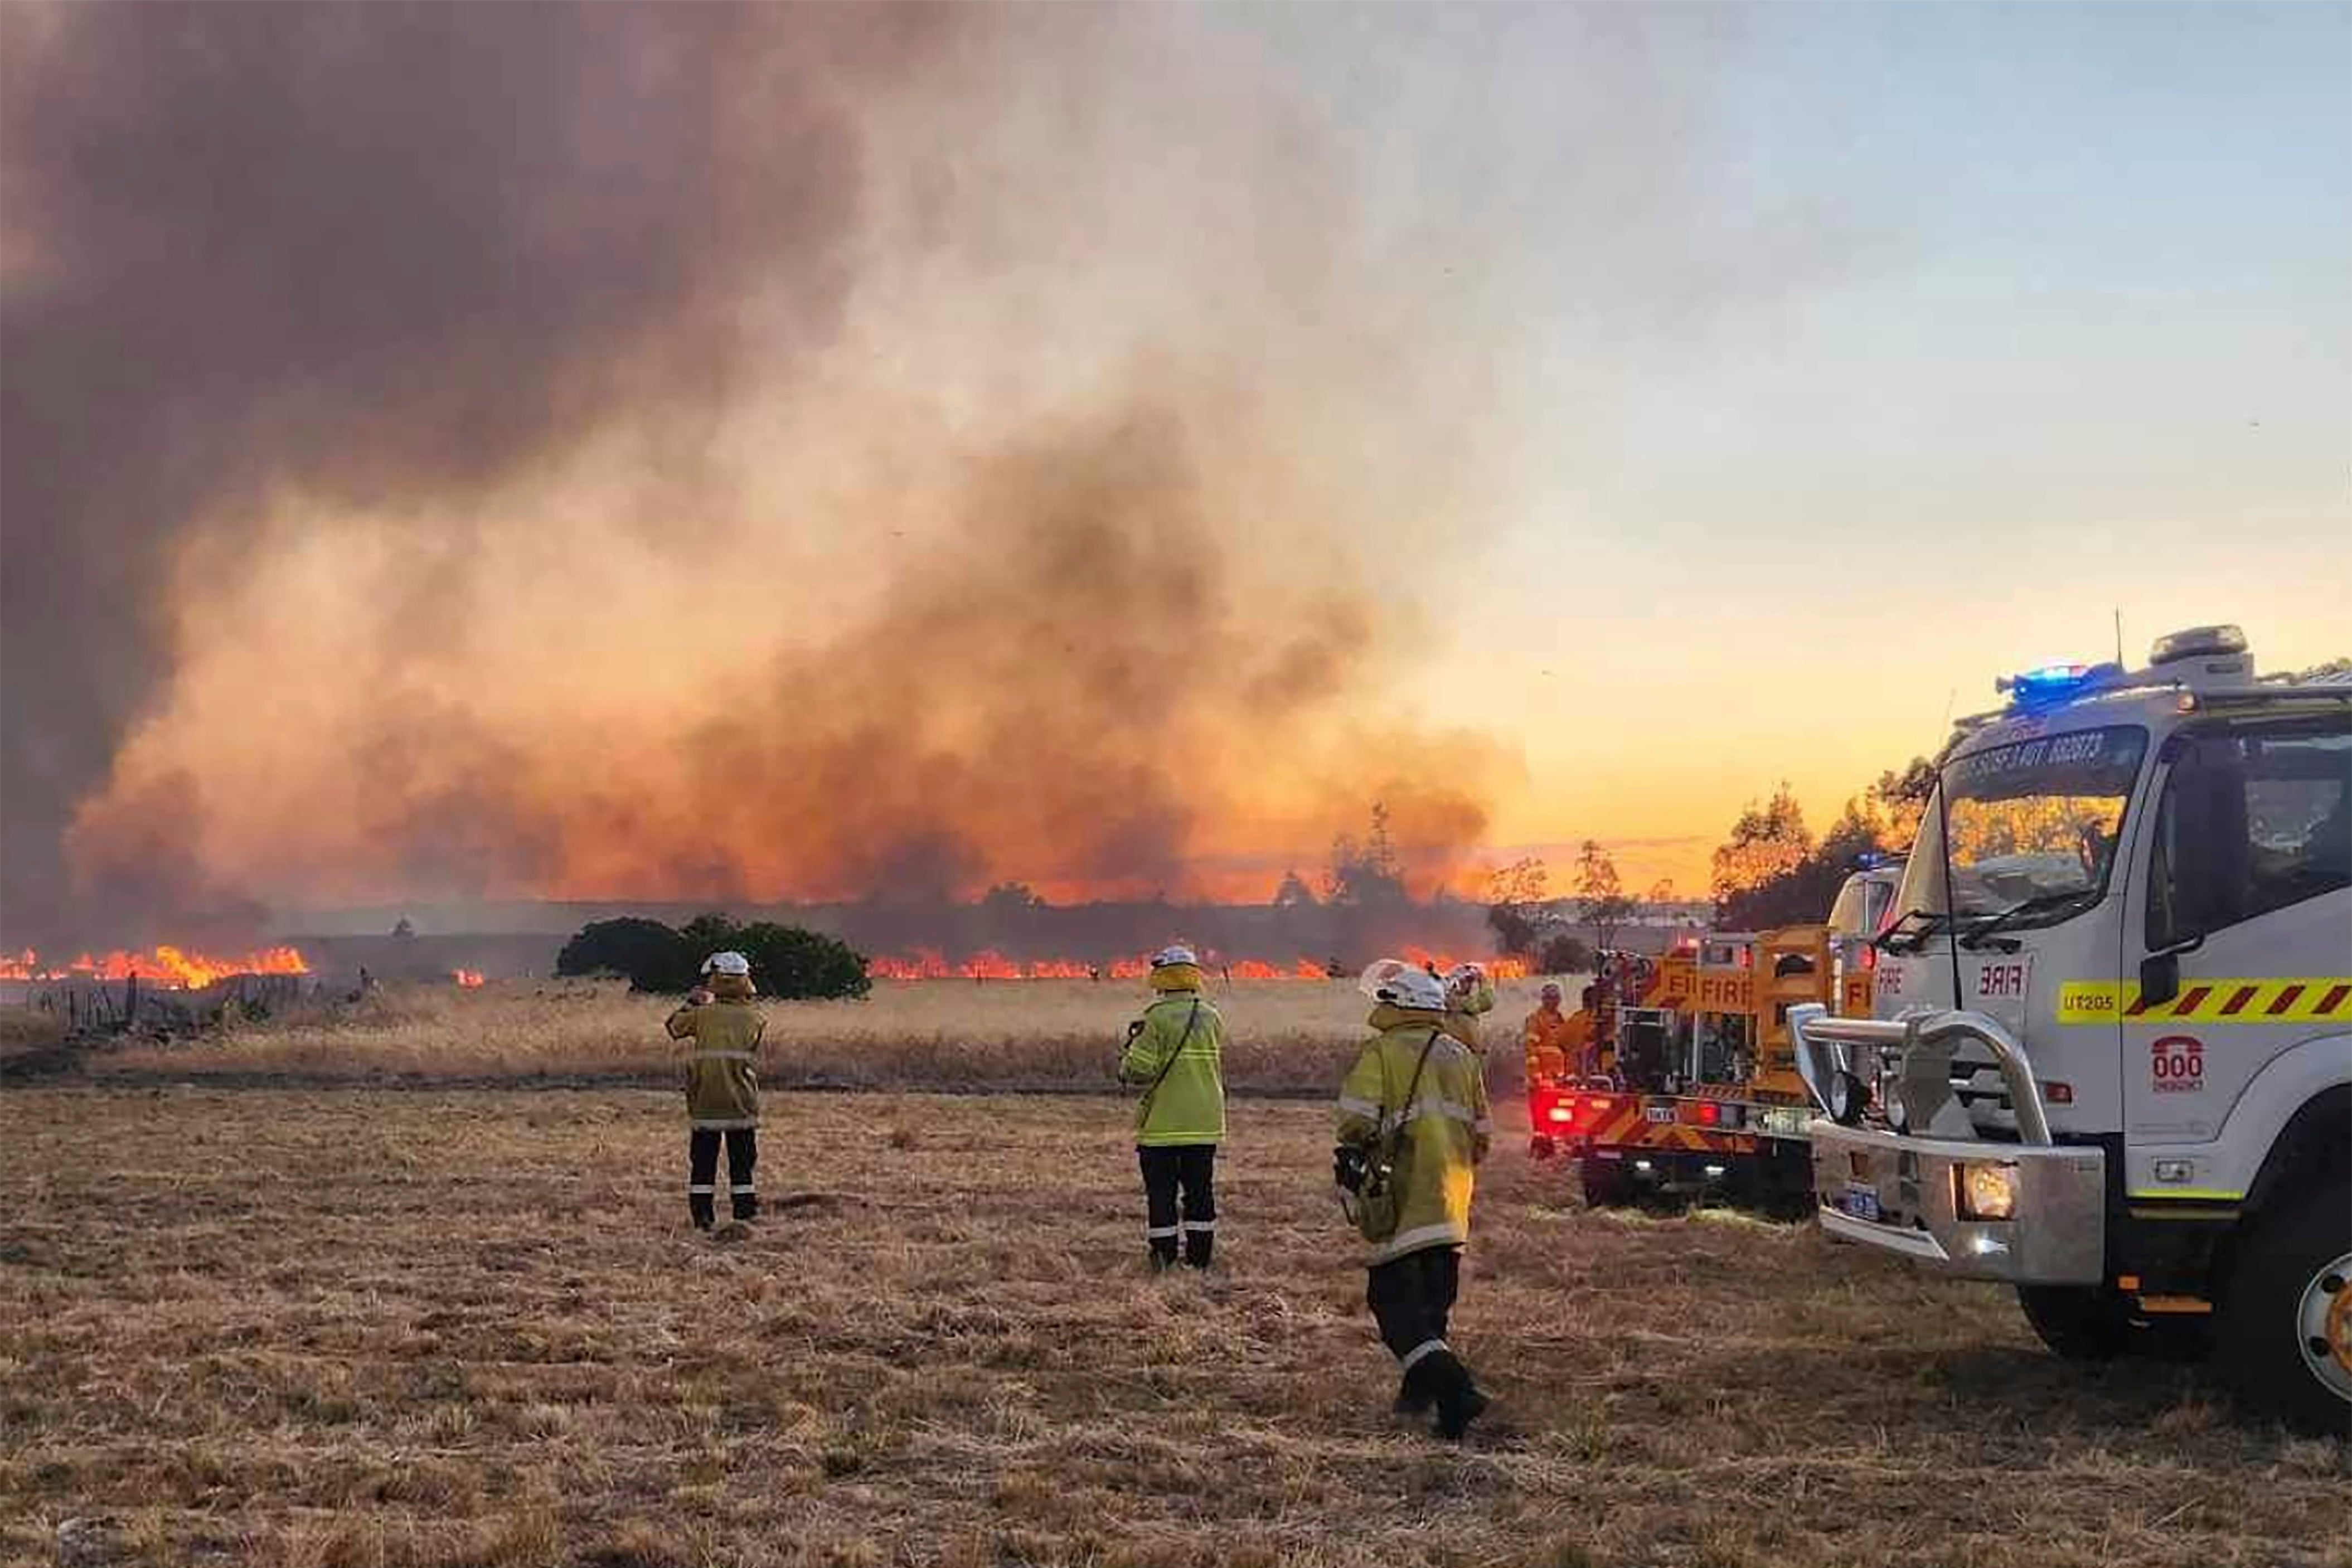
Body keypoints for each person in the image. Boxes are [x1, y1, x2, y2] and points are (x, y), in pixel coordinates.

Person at [1334, 961, 1493, 1439]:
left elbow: (1357, 1122)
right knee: (1431, 1308)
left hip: (1403, 1196)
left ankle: (1457, 1391)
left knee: (1394, 1307)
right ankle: (1424, 1401)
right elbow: (1482, 1137)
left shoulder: (1381, 1053)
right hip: (1451, 1204)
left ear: (1398, 1005)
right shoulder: (1462, 1055)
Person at [1117, 944, 1228, 1269]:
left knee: (1162, 1194)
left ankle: (1164, 1258)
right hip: (1205, 1120)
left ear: (1161, 976)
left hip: (1164, 1124)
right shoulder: (1212, 1016)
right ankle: (1200, 1258)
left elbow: (1140, 1070)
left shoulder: (1157, 1018)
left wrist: (1125, 1062)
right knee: (1200, 1192)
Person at [665, 950, 765, 1232]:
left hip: (706, 1100)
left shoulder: (701, 1015)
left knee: (703, 1164)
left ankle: (702, 1218)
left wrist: (691, 1002)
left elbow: (674, 1028)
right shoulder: (756, 1018)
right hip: (741, 1102)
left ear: (717, 978)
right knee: (743, 1165)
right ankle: (745, 1216)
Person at [1521, 980, 1573, 1085]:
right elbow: (1531, 1049)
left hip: (1559, 1076)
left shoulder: (1561, 1020)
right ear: (1544, 999)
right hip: (1541, 1076)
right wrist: (1535, 1074)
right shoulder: (1535, 1020)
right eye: (1550, 998)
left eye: (1556, 998)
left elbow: (1567, 1048)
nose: (1554, 1001)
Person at [1441, 962, 1496, 1055]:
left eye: (1470, 981)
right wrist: (1483, 980)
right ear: (1456, 983)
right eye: (1465, 981)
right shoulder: (1459, 1002)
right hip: (1461, 1054)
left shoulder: (1447, 1000)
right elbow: (1487, 1002)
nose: (1469, 985)